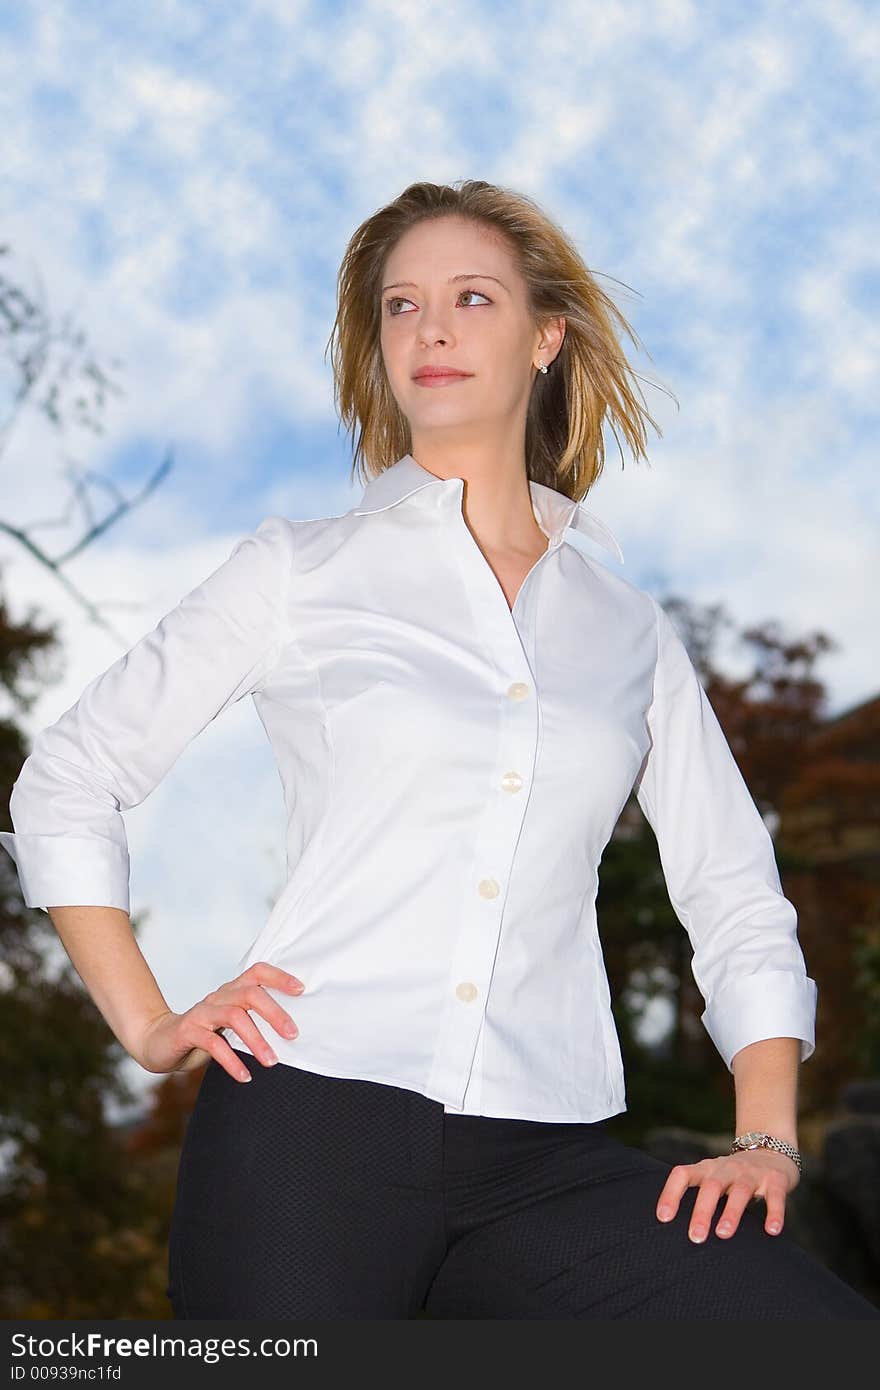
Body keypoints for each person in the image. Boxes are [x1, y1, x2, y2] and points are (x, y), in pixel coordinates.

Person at [2, 179, 877, 1321]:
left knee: (813, 1336)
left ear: (545, 337)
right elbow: (69, 777)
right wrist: (147, 1021)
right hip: (307, 1138)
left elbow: (732, 891)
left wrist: (764, 1134)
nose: (432, 328)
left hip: (546, 1158)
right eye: (401, 306)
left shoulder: (624, 627)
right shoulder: (300, 570)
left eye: (471, 296)